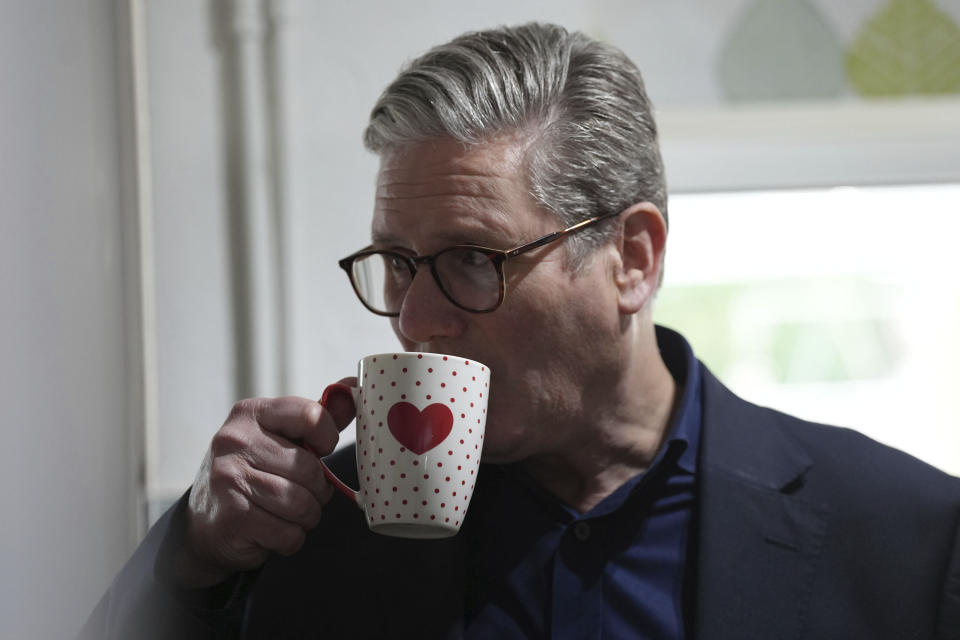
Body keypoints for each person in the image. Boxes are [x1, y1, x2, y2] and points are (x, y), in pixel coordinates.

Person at [81, 23, 960, 639]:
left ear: (633, 257)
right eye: (395, 260)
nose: (415, 321)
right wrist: (192, 559)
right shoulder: (307, 536)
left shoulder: (904, 536)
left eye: (473, 259)